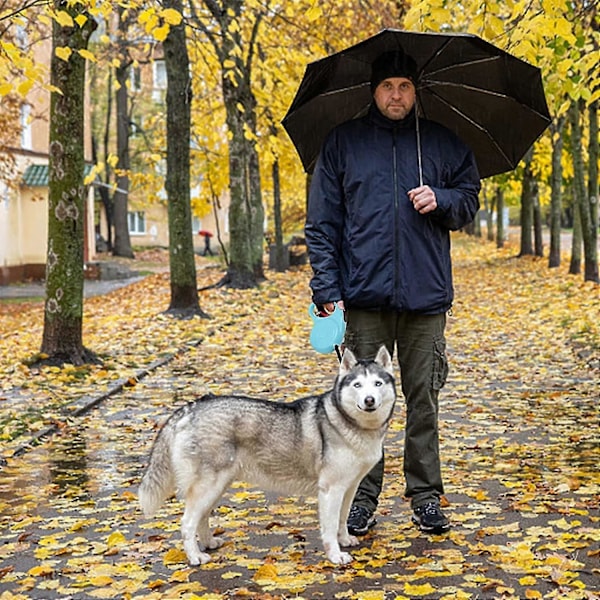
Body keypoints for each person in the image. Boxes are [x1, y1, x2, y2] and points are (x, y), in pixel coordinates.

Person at [304, 50, 481, 536]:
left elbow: (468, 202)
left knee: (423, 400)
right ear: (373, 91)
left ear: (415, 90)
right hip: (362, 299)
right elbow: (321, 225)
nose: (396, 95)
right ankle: (362, 498)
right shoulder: (343, 143)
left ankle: (425, 495)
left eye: (404, 86)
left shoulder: (443, 144)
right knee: (361, 405)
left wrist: (440, 199)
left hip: (425, 299)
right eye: (388, 87)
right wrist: (327, 289)